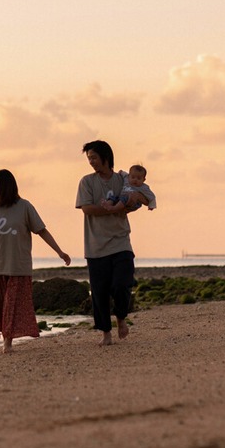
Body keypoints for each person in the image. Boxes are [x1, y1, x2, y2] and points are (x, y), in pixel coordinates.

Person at [0, 169, 72, 353]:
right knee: (0, 307)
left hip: (19, 267)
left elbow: (41, 230)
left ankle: (7, 343)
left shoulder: (24, 207)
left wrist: (59, 252)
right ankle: (5, 339)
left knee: (11, 305)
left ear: (5, 186)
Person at [76, 140, 136, 346]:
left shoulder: (122, 179)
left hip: (121, 242)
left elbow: (133, 200)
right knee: (99, 293)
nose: (91, 162)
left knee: (122, 284)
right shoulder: (87, 181)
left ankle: (121, 317)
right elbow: (86, 208)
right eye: (89, 158)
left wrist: (127, 205)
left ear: (105, 157)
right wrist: (113, 209)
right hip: (95, 246)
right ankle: (106, 334)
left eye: (93, 157)